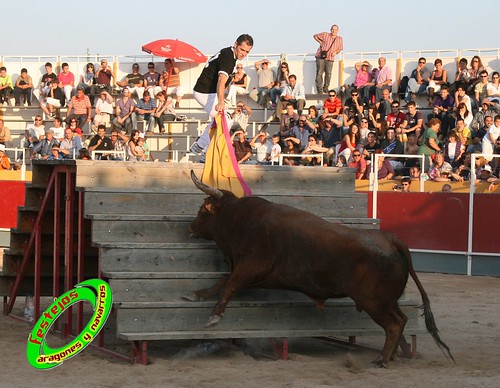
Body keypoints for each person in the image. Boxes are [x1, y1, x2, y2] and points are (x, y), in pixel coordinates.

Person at [189, 34, 254, 155]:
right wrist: (220, 102)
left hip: (209, 92)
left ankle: (199, 146)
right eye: (242, 50)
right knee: (226, 121)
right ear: (236, 44)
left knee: (222, 120)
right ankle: (207, 153)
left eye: (247, 52)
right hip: (205, 93)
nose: (244, 54)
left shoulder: (230, 54)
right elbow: (221, 81)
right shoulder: (229, 58)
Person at [313, 24, 343, 94]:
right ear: (330, 29)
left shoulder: (339, 38)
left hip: (330, 57)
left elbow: (340, 48)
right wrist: (320, 42)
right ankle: (319, 90)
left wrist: (336, 52)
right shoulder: (325, 34)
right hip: (321, 56)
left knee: (328, 74)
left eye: (335, 30)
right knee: (319, 73)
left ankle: (326, 88)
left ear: (337, 31)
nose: (334, 31)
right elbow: (315, 36)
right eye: (332, 29)